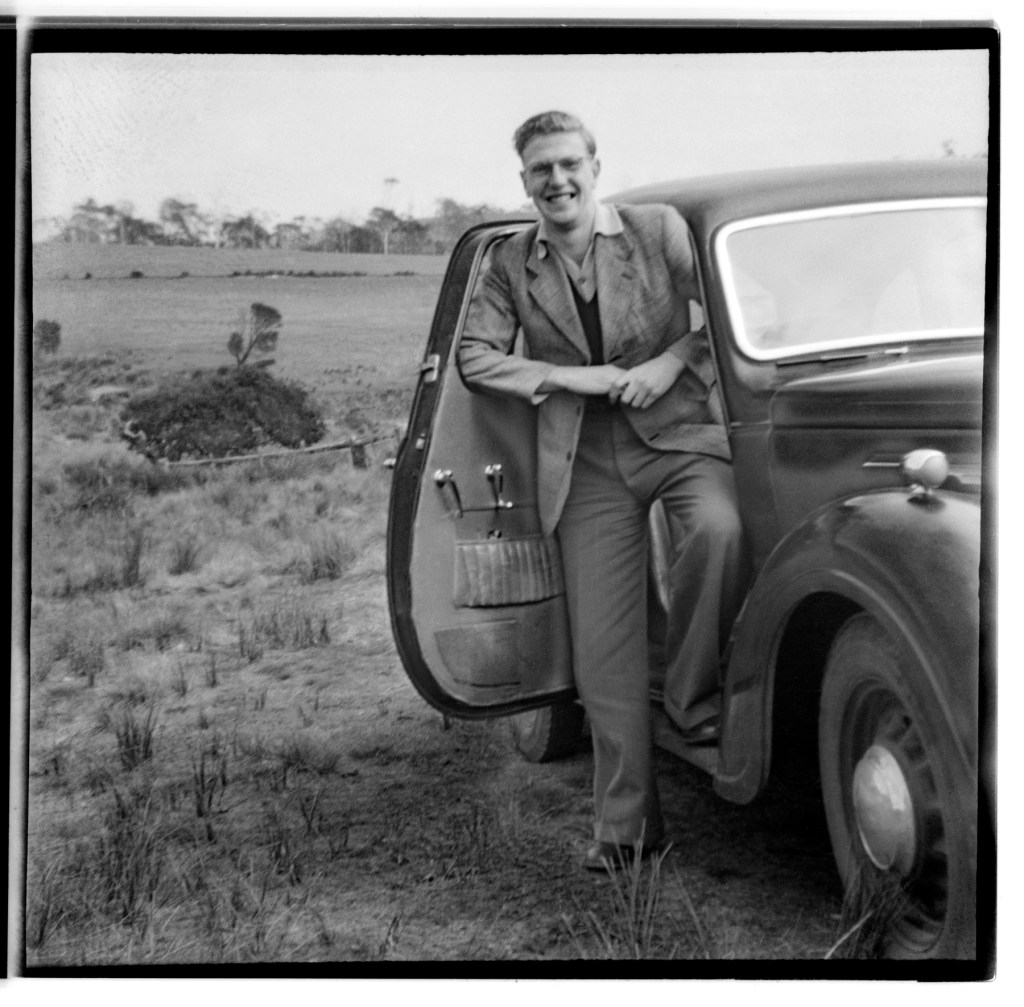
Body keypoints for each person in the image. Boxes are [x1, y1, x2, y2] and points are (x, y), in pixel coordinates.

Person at [458, 111, 747, 872]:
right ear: (525, 182)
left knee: (718, 530)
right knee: (603, 653)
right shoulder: (509, 262)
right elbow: (474, 358)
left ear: (594, 167)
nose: (556, 180)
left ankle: (690, 698)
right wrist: (566, 377)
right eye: (540, 170)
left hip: (678, 435)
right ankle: (628, 828)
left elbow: (723, 317)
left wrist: (670, 363)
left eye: (568, 164)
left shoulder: (657, 230)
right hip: (583, 459)